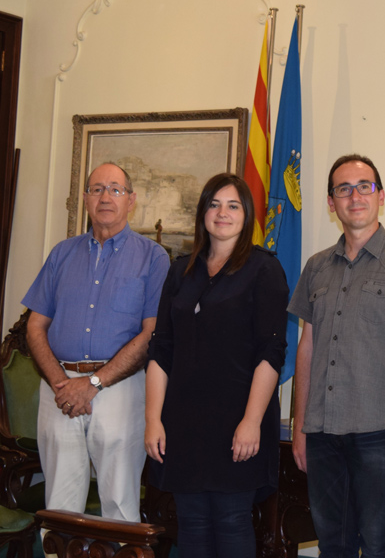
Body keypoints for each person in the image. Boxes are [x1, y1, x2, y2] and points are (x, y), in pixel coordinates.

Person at [289, 154, 385, 558]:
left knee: (378, 544)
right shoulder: (316, 267)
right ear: (331, 203)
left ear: (380, 197)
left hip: (380, 433)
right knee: (332, 545)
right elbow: (307, 346)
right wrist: (299, 425)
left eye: (364, 186)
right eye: (343, 188)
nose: (354, 195)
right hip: (322, 432)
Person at [145, 173, 288, 557]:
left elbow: (271, 352)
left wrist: (252, 421)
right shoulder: (180, 271)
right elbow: (161, 349)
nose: (222, 213)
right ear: (203, 213)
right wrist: (153, 419)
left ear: (247, 214)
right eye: (214, 204)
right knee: (190, 524)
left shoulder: (264, 270)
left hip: (237, 421)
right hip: (183, 423)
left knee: (231, 522)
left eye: (233, 205)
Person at [23, 162, 169, 521]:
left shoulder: (154, 258)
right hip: (59, 391)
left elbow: (152, 334)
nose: (106, 197)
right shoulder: (61, 253)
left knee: (119, 505)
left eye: (115, 189)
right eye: (97, 189)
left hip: (120, 391)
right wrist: (62, 383)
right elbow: (34, 327)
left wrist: (91, 384)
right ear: (85, 198)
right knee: (59, 504)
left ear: (131, 200)